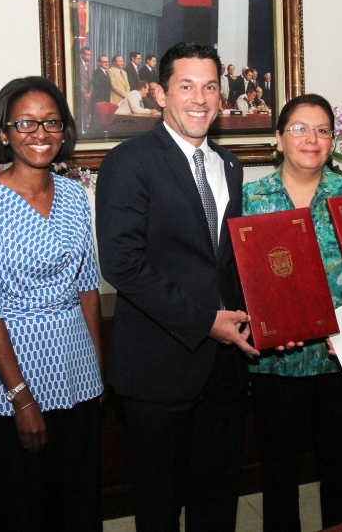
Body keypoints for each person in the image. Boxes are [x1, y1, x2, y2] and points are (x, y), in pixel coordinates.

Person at [96, 42, 256, 532]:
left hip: (223, 370)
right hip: (157, 370)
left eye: (210, 87)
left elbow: (227, 262)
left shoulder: (229, 164)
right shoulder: (128, 161)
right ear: (161, 94)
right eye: (186, 86)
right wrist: (205, 321)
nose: (200, 99)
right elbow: (122, 263)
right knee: (159, 508)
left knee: (217, 502)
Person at [0, 76, 104, 531]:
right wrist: (21, 399)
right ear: (4, 133)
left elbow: (87, 287)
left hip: (77, 369)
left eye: (51, 122)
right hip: (11, 374)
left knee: (78, 504)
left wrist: (96, 370)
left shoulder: (75, 195)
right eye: (25, 123)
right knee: (25, 509)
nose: (40, 133)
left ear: (64, 131)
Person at [242, 94, 342, 530]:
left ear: (333, 140)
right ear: (278, 138)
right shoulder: (249, 200)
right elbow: (235, 278)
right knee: (279, 472)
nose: (311, 139)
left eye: (322, 130)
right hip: (276, 360)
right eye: (299, 129)